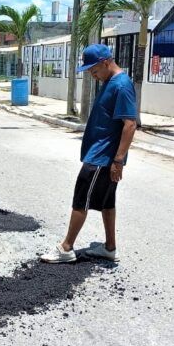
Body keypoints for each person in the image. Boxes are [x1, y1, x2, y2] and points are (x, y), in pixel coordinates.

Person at [40, 44, 137, 263]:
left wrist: (118, 160)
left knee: (81, 198)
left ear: (105, 62)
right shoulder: (109, 81)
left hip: (103, 158)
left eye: (93, 70)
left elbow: (130, 124)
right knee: (107, 201)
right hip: (102, 155)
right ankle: (110, 248)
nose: (92, 75)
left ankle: (66, 248)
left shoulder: (121, 85)